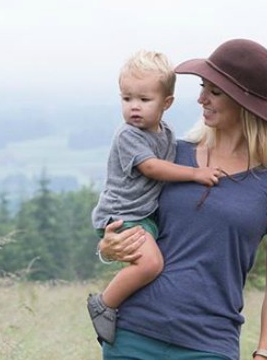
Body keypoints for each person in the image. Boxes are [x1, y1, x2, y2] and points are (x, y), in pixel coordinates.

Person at [94, 39, 267, 360]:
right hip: (133, 332)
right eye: (203, 87)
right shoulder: (171, 154)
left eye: (215, 91)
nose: (201, 98)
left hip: (209, 342)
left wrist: (265, 352)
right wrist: (107, 250)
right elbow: (125, 209)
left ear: (245, 102)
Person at [87, 50, 220, 345]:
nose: (134, 107)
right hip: (123, 214)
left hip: (142, 213)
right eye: (127, 98)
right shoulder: (128, 135)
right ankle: (104, 303)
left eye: (144, 100)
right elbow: (152, 167)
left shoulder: (166, 133)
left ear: (167, 103)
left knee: (153, 262)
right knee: (150, 265)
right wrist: (195, 174)